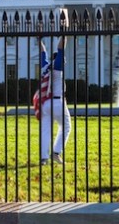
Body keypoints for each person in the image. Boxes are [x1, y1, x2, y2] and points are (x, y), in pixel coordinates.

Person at [39, 36, 71, 165]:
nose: (64, 61)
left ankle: (43, 158)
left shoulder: (44, 67)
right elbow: (61, 48)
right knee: (66, 127)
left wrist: (39, 39)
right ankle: (56, 152)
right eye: (63, 59)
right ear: (58, 58)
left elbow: (42, 52)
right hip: (57, 102)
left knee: (46, 130)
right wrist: (64, 34)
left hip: (45, 103)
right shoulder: (57, 66)